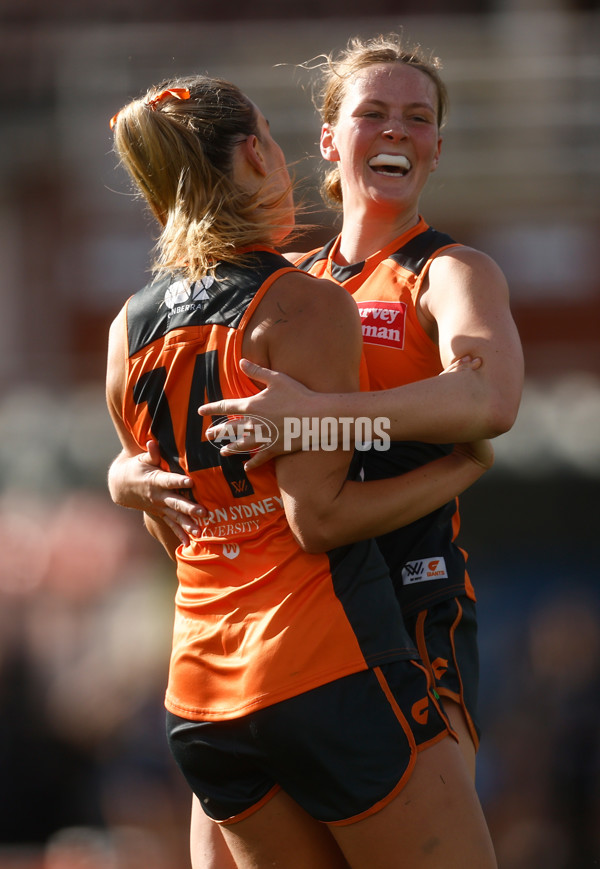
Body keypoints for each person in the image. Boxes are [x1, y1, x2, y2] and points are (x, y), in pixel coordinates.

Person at [106, 73, 498, 868]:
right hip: (328, 656)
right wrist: (459, 470)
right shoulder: (306, 301)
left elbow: (167, 512)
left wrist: (119, 478)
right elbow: (315, 518)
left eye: (417, 118)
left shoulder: (127, 328)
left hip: (203, 693)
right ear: (259, 153)